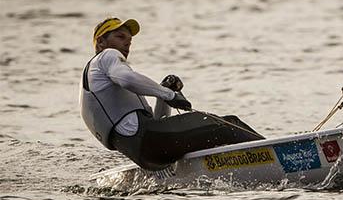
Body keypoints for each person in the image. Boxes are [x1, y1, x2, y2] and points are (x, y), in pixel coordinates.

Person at [79, 17, 264, 170]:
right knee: (228, 125)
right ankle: (278, 154)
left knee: (213, 135)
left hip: (145, 154)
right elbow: (127, 79)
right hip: (148, 141)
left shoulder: (99, 81)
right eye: (120, 37)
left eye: (129, 41)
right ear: (101, 42)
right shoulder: (106, 57)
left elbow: (158, 123)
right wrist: (170, 96)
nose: (127, 44)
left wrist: (164, 93)